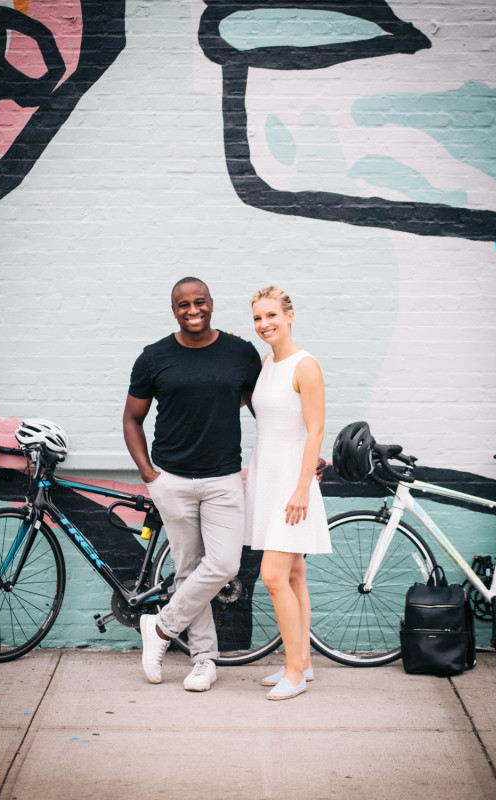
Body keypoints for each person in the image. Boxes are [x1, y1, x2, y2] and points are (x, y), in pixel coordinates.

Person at [123, 276, 262, 692]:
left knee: (223, 565)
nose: (192, 310)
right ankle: (204, 660)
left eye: (199, 302)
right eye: (183, 305)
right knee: (188, 570)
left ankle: (161, 628)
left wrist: (304, 453)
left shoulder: (240, 353)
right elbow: (133, 418)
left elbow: (266, 411)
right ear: (174, 310)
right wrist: (149, 473)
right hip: (172, 479)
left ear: (212, 304)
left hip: (222, 478)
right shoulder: (154, 357)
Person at [244, 286, 331, 701]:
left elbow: (315, 429)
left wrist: (302, 488)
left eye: (272, 316)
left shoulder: (306, 365)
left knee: (273, 575)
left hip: (292, 483)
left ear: (290, 316)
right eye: (258, 318)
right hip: (267, 473)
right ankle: (304, 663)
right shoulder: (266, 362)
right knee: (294, 574)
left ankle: (293, 673)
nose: (265, 325)